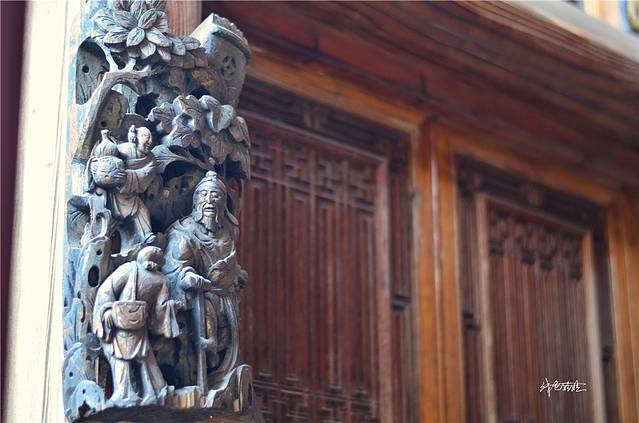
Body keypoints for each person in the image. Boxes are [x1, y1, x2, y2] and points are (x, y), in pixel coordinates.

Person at [161, 171, 246, 389]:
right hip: (200, 297)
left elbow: (229, 261)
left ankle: (220, 378)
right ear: (195, 200)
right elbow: (175, 267)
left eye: (216, 195)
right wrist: (187, 276)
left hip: (226, 298)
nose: (210, 201)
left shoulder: (228, 231)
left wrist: (236, 273)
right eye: (204, 195)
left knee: (227, 339)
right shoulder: (183, 232)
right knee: (207, 333)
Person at [93, 246, 182, 407]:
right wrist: (107, 310)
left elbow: (159, 309)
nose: (153, 261)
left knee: (141, 358)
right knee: (123, 358)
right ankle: (127, 394)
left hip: (140, 326)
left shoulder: (162, 281)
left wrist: (171, 307)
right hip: (120, 322)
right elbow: (107, 289)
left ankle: (151, 393)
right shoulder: (129, 269)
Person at [88, 125, 157, 252]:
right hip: (112, 193)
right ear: (135, 137)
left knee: (142, 211)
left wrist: (126, 177)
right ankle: (96, 241)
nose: (149, 141)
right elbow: (107, 159)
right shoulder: (125, 149)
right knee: (107, 220)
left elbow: (146, 175)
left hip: (130, 194)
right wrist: (96, 166)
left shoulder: (151, 160)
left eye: (151, 138)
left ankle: (146, 237)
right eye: (145, 136)